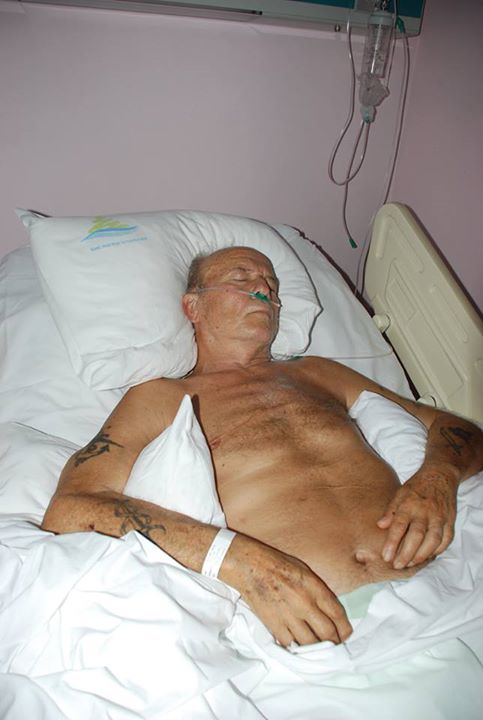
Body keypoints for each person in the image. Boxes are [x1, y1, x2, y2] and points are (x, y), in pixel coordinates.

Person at [41, 246, 483, 648]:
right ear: (193, 306)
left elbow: (453, 426)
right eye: (241, 278)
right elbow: (71, 509)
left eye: (271, 285)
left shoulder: (320, 373)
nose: (264, 290)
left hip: (446, 590)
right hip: (317, 627)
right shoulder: (159, 396)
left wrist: (437, 478)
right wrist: (235, 560)